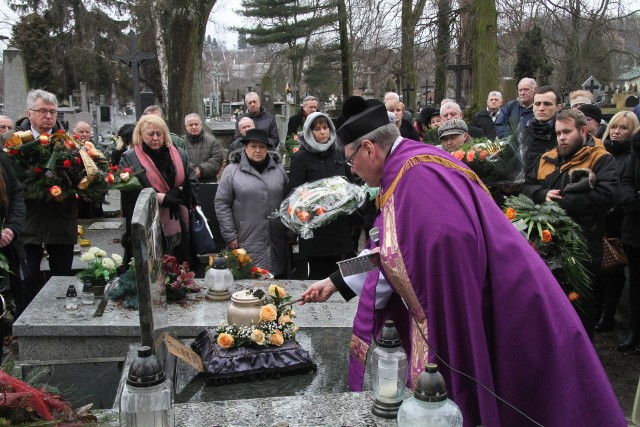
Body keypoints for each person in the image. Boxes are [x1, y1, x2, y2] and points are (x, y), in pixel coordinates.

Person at [299, 96, 625, 426]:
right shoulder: (411, 166)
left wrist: (343, 280)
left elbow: (399, 258)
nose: (352, 169)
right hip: (500, 287)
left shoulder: (416, 181)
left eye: (351, 159)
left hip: (501, 301)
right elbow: (392, 252)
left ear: (369, 149)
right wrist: (335, 280)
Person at [523, 108, 620, 337]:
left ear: (583, 130)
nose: (561, 138)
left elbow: (608, 195)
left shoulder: (600, 158)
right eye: (558, 133)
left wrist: (562, 203)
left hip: (583, 244)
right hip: (547, 243)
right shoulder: (547, 158)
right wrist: (543, 195)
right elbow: (526, 187)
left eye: (567, 132)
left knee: (580, 306)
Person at [14, 90, 77, 312]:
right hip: (27, 222)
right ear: (29, 114)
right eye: (43, 111)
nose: (49, 116)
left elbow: (80, 178)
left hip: (61, 219)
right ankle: (26, 326)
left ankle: (60, 324)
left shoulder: (67, 142)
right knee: (28, 277)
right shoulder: (14, 143)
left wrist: (66, 190)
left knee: (62, 278)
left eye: (52, 112)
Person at [119, 115, 199, 267]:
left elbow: (192, 181)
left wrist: (180, 191)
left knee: (179, 268)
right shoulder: (130, 157)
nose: (155, 138)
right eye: (150, 134)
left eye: (159, 134)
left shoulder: (179, 153)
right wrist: (157, 197)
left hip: (177, 221)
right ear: (141, 134)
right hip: (147, 224)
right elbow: (128, 191)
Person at [288, 111, 353, 279]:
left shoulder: (338, 153)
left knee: (337, 278)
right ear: (310, 132)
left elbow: (349, 183)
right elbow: (295, 194)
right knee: (317, 277)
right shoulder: (301, 158)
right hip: (315, 231)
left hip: (338, 228)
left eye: (325, 128)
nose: (323, 132)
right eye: (317, 129)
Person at [215, 128, 288, 277]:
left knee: (277, 286)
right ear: (245, 147)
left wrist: (290, 230)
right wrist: (230, 235)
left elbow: (289, 201)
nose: (258, 150)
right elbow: (222, 203)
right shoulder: (232, 171)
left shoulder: (279, 171)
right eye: (253, 146)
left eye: (262, 146)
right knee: (249, 284)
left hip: (276, 240)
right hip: (245, 239)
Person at [597, 112, 640, 349]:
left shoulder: (632, 154)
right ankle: (609, 315)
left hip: (623, 219)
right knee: (610, 272)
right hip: (611, 218)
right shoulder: (604, 152)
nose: (616, 132)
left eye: (623, 128)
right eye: (614, 127)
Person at [620, 131, 640, 353]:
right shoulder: (637, 149)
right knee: (636, 283)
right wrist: (629, 198)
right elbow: (626, 179)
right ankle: (634, 329)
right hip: (635, 225)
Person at [520, 86, 562, 178]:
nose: (541, 108)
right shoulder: (525, 131)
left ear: (558, 107)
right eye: (537, 104)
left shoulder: (563, 135)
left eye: (547, 104)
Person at [182, 113, 223, 182]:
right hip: (186, 183)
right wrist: (192, 170)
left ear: (201, 125)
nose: (194, 127)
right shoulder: (181, 142)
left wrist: (200, 170)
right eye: (191, 125)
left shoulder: (212, 141)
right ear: (186, 127)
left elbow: (216, 161)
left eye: (196, 124)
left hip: (208, 182)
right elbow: (178, 161)